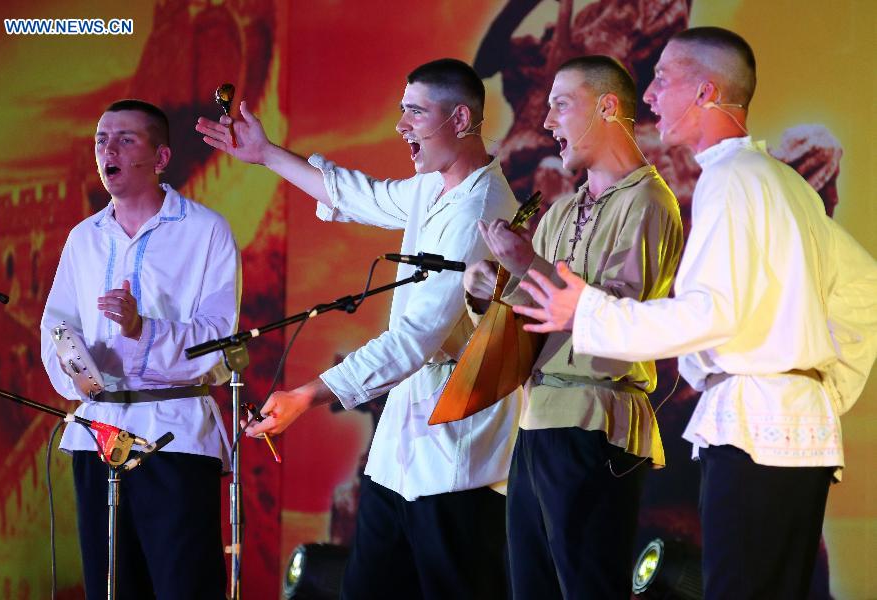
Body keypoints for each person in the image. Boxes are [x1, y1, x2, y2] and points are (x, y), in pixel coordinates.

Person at [512, 27, 877, 600]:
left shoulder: (730, 179)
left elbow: (711, 312)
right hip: (796, 428)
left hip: (754, 428)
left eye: (661, 79)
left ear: (706, 92)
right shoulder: (783, 183)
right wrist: (823, 392)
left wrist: (588, 311)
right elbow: (864, 291)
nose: (650, 96)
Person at [196, 58, 519, 599]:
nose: (402, 126)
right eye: (400, 111)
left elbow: (414, 340)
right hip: (399, 457)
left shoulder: (480, 212)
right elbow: (357, 195)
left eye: (416, 112)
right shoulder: (434, 189)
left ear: (461, 119)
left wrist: (308, 394)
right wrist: (266, 153)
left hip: (453, 462)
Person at [464, 55, 683, 599]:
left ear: (607, 106)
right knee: (531, 587)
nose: (547, 122)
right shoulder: (561, 211)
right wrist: (483, 293)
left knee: (587, 586)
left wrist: (525, 266)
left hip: (595, 420)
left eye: (561, 104)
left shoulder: (650, 201)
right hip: (537, 423)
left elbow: (618, 322)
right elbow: (530, 320)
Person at [40, 99, 240, 599]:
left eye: (126, 139)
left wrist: (140, 328)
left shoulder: (205, 230)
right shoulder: (84, 237)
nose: (108, 149)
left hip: (172, 436)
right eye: (101, 140)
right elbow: (57, 326)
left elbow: (217, 338)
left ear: (161, 156)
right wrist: (83, 378)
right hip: (97, 434)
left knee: (182, 585)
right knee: (111, 585)